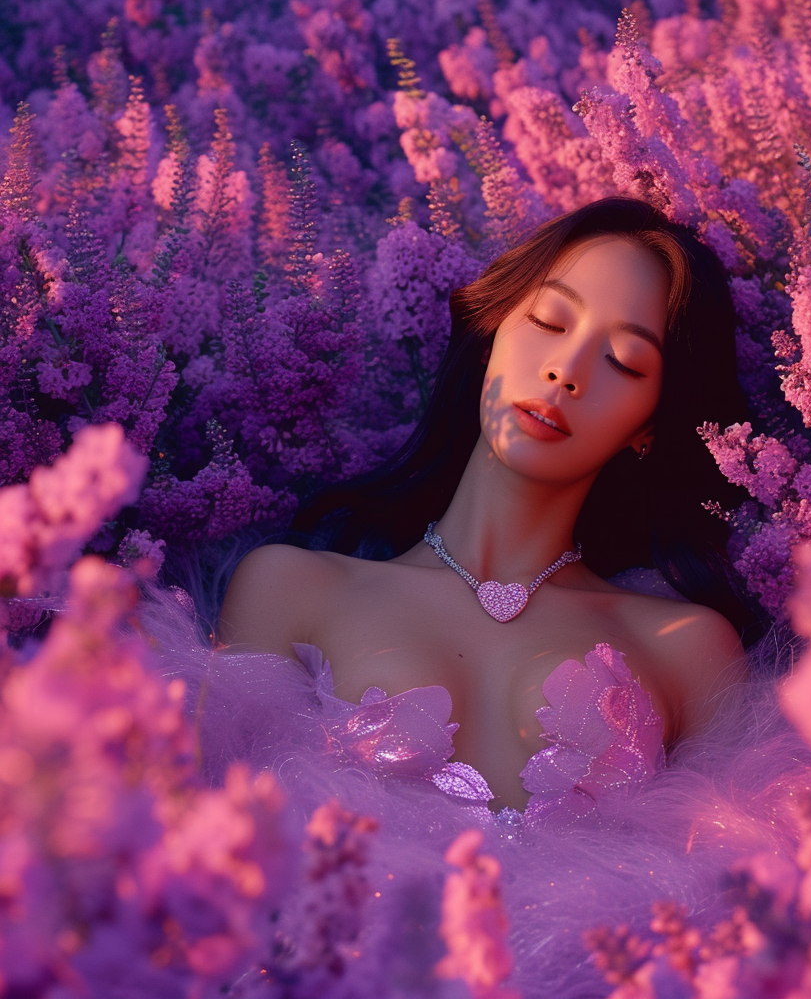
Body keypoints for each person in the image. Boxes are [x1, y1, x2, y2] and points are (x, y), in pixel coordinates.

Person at [217, 197, 758, 812]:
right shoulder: (291, 589)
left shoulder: (686, 648)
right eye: (550, 322)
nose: (566, 371)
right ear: (489, 336)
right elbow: (222, 844)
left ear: (650, 429)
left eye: (624, 362)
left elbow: (734, 875)